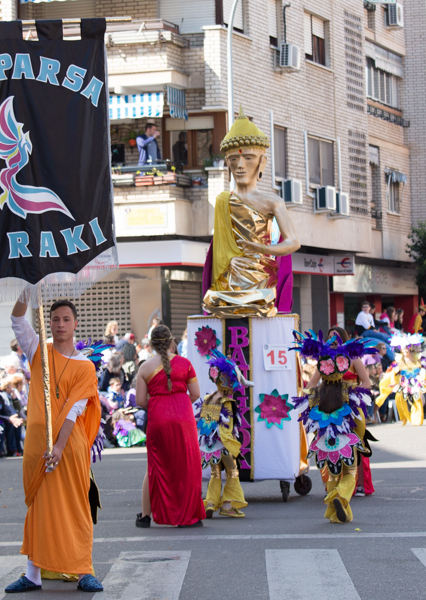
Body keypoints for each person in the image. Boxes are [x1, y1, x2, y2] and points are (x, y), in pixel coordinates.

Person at [4, 297, 104, 593]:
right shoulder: (39, 351)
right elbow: (18, 322)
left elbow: (75, 409)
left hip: (68, 445)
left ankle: (84, 570)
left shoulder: (85, 366)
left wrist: (59, 446)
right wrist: (28, 286)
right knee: (39, 507)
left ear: (76, 324)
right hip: (36, 443)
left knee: (76, 504)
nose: (60, 324)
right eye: (55, 319)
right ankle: (32, 575)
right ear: (49, 323)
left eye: (65, 319)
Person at [202, 109, 300, 318]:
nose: (240, 165)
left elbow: (293, 243)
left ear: (261, 162)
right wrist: (227, 261)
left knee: (262, 301)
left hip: (260, 275)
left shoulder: (272, 201)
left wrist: (262, 248)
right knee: (212, 301)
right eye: (233, 160)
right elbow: (219, 250)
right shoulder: (223, 201)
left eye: (248, 158)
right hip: (229, 280)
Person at [294, 330, 376, 523]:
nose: (332, 340)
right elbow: (359, 424)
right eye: (329, 337)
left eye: (335, 337)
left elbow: (366, 383)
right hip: (344, 422)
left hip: (326, 424)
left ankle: (336, 514)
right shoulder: (347, 391)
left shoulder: (319, 393)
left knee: (332, 473)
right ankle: (340, 496)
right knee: (350, 471)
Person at [133, 325, 204, 528]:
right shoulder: (185, 363)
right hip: (184, 417)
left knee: (155, 466)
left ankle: (146, 516)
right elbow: (196, 394)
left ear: (152, 345)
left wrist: (158, 404)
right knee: (187, 464)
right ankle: (189, 514)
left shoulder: (145, 367)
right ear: (172, 341)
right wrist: (179, 405)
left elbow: (140, 401)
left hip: (158, 418)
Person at [194, 351, 248, 519]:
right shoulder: (228, 403)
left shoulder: (209, 398)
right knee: (232, 471)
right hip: (223, 445)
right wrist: (232, 447)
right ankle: (227, 505)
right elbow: (226, 429)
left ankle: (210, 503)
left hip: (208, 447)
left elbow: (203, 424)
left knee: (215, 474)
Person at [377, 333, 426, 426]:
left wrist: (423, 380)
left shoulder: (418, 360)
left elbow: (422, 371)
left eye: (407, 348)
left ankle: (417, 418)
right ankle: (405, 417)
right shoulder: (398, 362)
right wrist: (393, 382)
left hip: (416, 382)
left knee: (417, 398)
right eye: (403, 349)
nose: (405, 350)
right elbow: (394, 373)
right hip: (404, 383)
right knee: (399, 397)